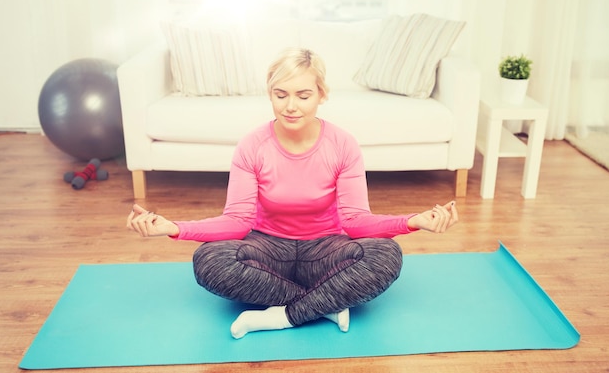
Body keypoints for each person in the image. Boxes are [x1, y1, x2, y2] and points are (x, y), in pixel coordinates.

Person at [127, 48, 459, 339]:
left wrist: (413, 221)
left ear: (321, 95)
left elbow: (356, 222)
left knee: (386, 255)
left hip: (326, 249)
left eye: (303, 95)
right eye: (280, 94)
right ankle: (325, 306)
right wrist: (174, 229)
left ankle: (283, 316)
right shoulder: (252, 146)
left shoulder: (342, 144)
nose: (291, 106)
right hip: (267, 249)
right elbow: (236, 222)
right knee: (208, 261)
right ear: (270, 94)